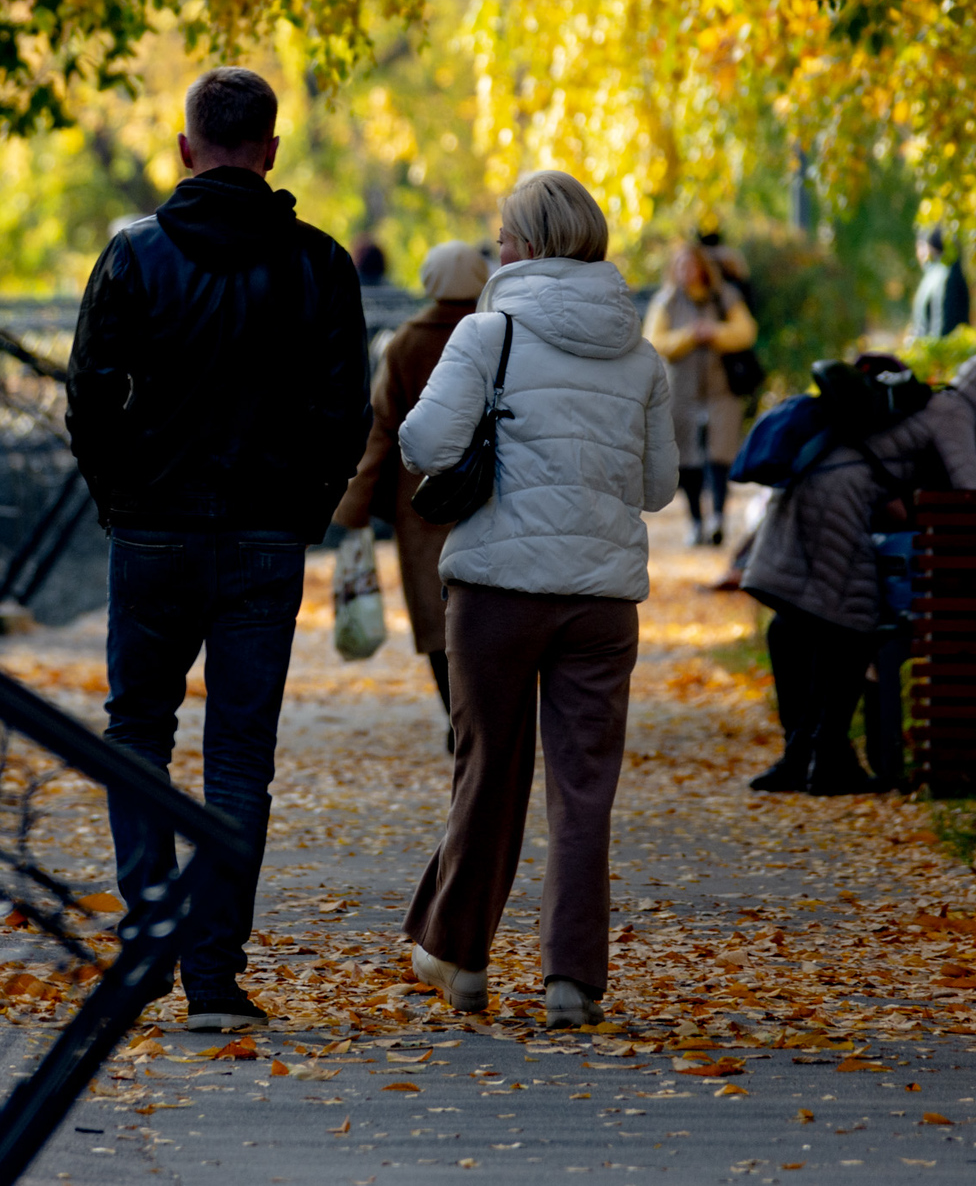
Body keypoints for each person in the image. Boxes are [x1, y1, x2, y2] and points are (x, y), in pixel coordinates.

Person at [66, 67, 370, 1034]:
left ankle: (150, 933)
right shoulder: (321, 266)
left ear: (186, 147)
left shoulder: (134, 258)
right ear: (272, 150)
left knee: (136, 733)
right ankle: (214, 973)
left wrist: (123, 497)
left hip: (153, 530)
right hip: (263, 540)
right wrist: (302, 510)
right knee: (241, 754)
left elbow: (87, 397)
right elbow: (344, 414)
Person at [397, 170, 677, 1030]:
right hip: (600, 600)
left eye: (503, 236)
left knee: (490, 770)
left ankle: (462, 957)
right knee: (584, 788)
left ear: (524, 245)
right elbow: (659, 486)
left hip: (497, 590)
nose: (496, 249)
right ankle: (572, 982)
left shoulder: (489, 334)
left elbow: (423, 441)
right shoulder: (642, 354)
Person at [740, 349, 976, 795]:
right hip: (836, 503)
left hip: (805, 490)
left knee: (800, 624)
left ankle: (801, 757)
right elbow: (974, 495)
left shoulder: (923, 404)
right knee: (853, 624)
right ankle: (828, 759)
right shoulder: (953, 410)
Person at [329, 238, 490, 745]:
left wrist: (353, 506)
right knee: (489, 605)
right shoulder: (500, 335)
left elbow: (381, 428)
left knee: (434, 612)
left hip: (420, 499)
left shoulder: (404, 343)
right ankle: (486, 712)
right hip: (490, 488)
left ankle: (454, 716)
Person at [642, 239, 758, 546]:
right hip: (681, 392)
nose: (687, 271)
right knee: (687, 457)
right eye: (681, 266)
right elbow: (654, 342)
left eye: (691, 265)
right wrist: (689, 337)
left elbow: (746, 332)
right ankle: (695, 520)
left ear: (702, 268)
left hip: (721, 390)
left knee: (720, 454)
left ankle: (718, 516)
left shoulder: (725, 297)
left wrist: (715, 333)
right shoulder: (666, 301)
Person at [910, 227, 971, 337]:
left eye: (919, 246)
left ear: (928, 247)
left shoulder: (939, 276)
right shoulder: (943, 273)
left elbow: (940, 321)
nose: (917, 254)